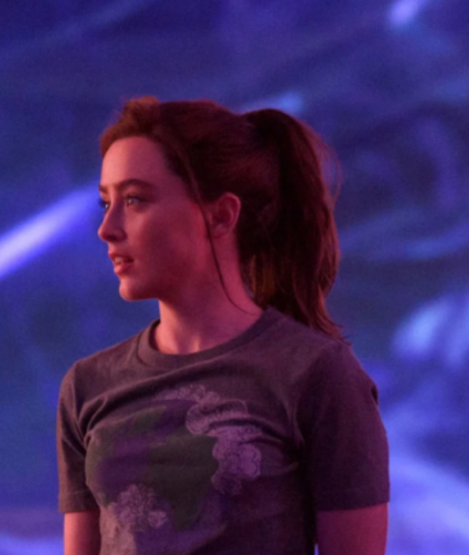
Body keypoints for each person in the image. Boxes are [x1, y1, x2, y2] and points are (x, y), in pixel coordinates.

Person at [56, 97, 389, 555]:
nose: (107, 228)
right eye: (105, 202)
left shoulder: (318, 375)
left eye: (134, 199)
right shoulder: (87, 385)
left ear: (221, 215)